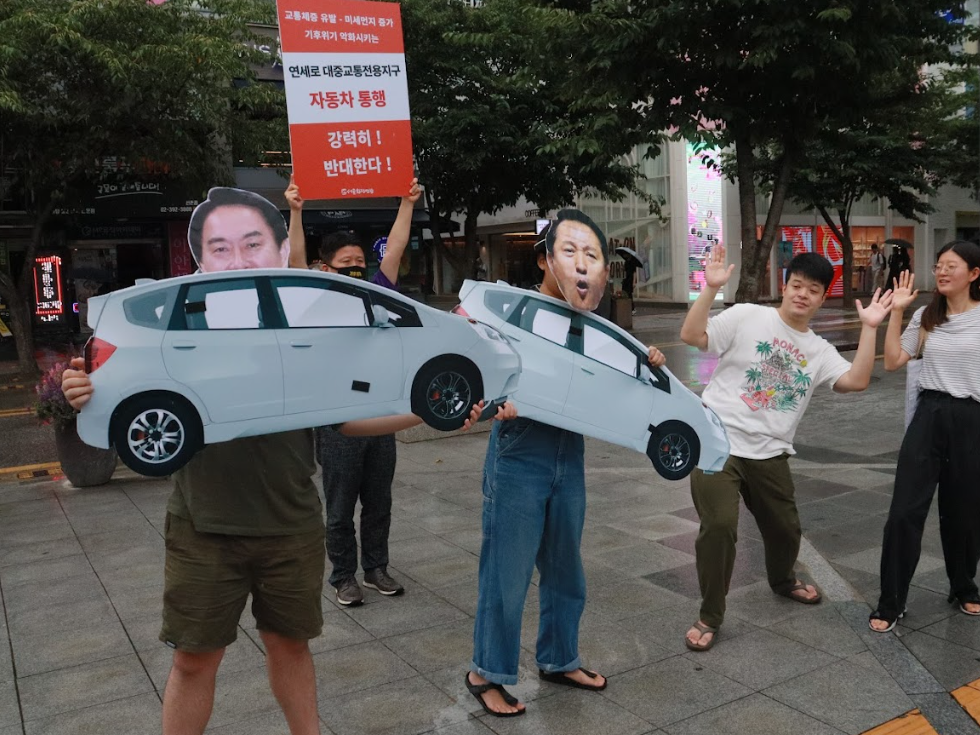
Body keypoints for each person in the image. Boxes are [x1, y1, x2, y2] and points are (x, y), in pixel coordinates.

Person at [60, 186, 499, 735]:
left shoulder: (301, 324)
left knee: (291, 649)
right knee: (194, 661)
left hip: (289, 523)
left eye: (253, 243)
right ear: (202, 256)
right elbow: (110, 392)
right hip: (203, 527)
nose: (239, 257)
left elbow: (346, 417)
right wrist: (85, 389)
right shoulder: (185, 322)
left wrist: (431, 413)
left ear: (275, 250)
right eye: (221, 247)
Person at [464, 209, 667, 717]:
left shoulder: (591, 324)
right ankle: (485, 671)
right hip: (518, 454)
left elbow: (617, 384)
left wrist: (649, 363)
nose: (582, 265)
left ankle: (558, 657)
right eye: (570, 252)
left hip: (568, 454)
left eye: (592, 256)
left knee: (564, 569)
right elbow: (475, 361)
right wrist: (493, 400)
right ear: (544, 259)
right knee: (506, 572)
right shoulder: (513, 309)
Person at [678, 246, 894, 652]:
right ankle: (710, 613)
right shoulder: (747, 315)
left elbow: (857, 381)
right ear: (784, 284)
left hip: (770, 452)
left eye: (813, 290)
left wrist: (870, 328)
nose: (802, 294)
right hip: (715, 442)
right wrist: (708, 290)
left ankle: (782, 579)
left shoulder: (818, 350)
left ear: (822, 297)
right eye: (797, 285)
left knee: (786, 529)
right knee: (720, 526)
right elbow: (692, 336)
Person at [868, 242, 980, 634]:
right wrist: (897, 311)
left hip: (975, 420)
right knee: (903, 512)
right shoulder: (927, 316)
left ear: (972, 274)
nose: (942, 271)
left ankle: (963, 584)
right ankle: (891, 601)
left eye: (951, 266)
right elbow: (895, 360)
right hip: (929, 417)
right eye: (938, 265)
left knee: (968, 514)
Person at [285, 177, 422, 606]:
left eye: (360, 260)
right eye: (346, 262)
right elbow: (293, 264)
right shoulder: (313, 302)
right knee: (340, 506)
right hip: (337, 420)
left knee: (379, 501)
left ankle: (376, 568)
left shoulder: (378, 293)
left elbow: (395, 248)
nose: (356, 268)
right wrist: (295, 211)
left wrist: (406, 202)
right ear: (326, 267)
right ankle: (343, 576)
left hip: (380, 415)